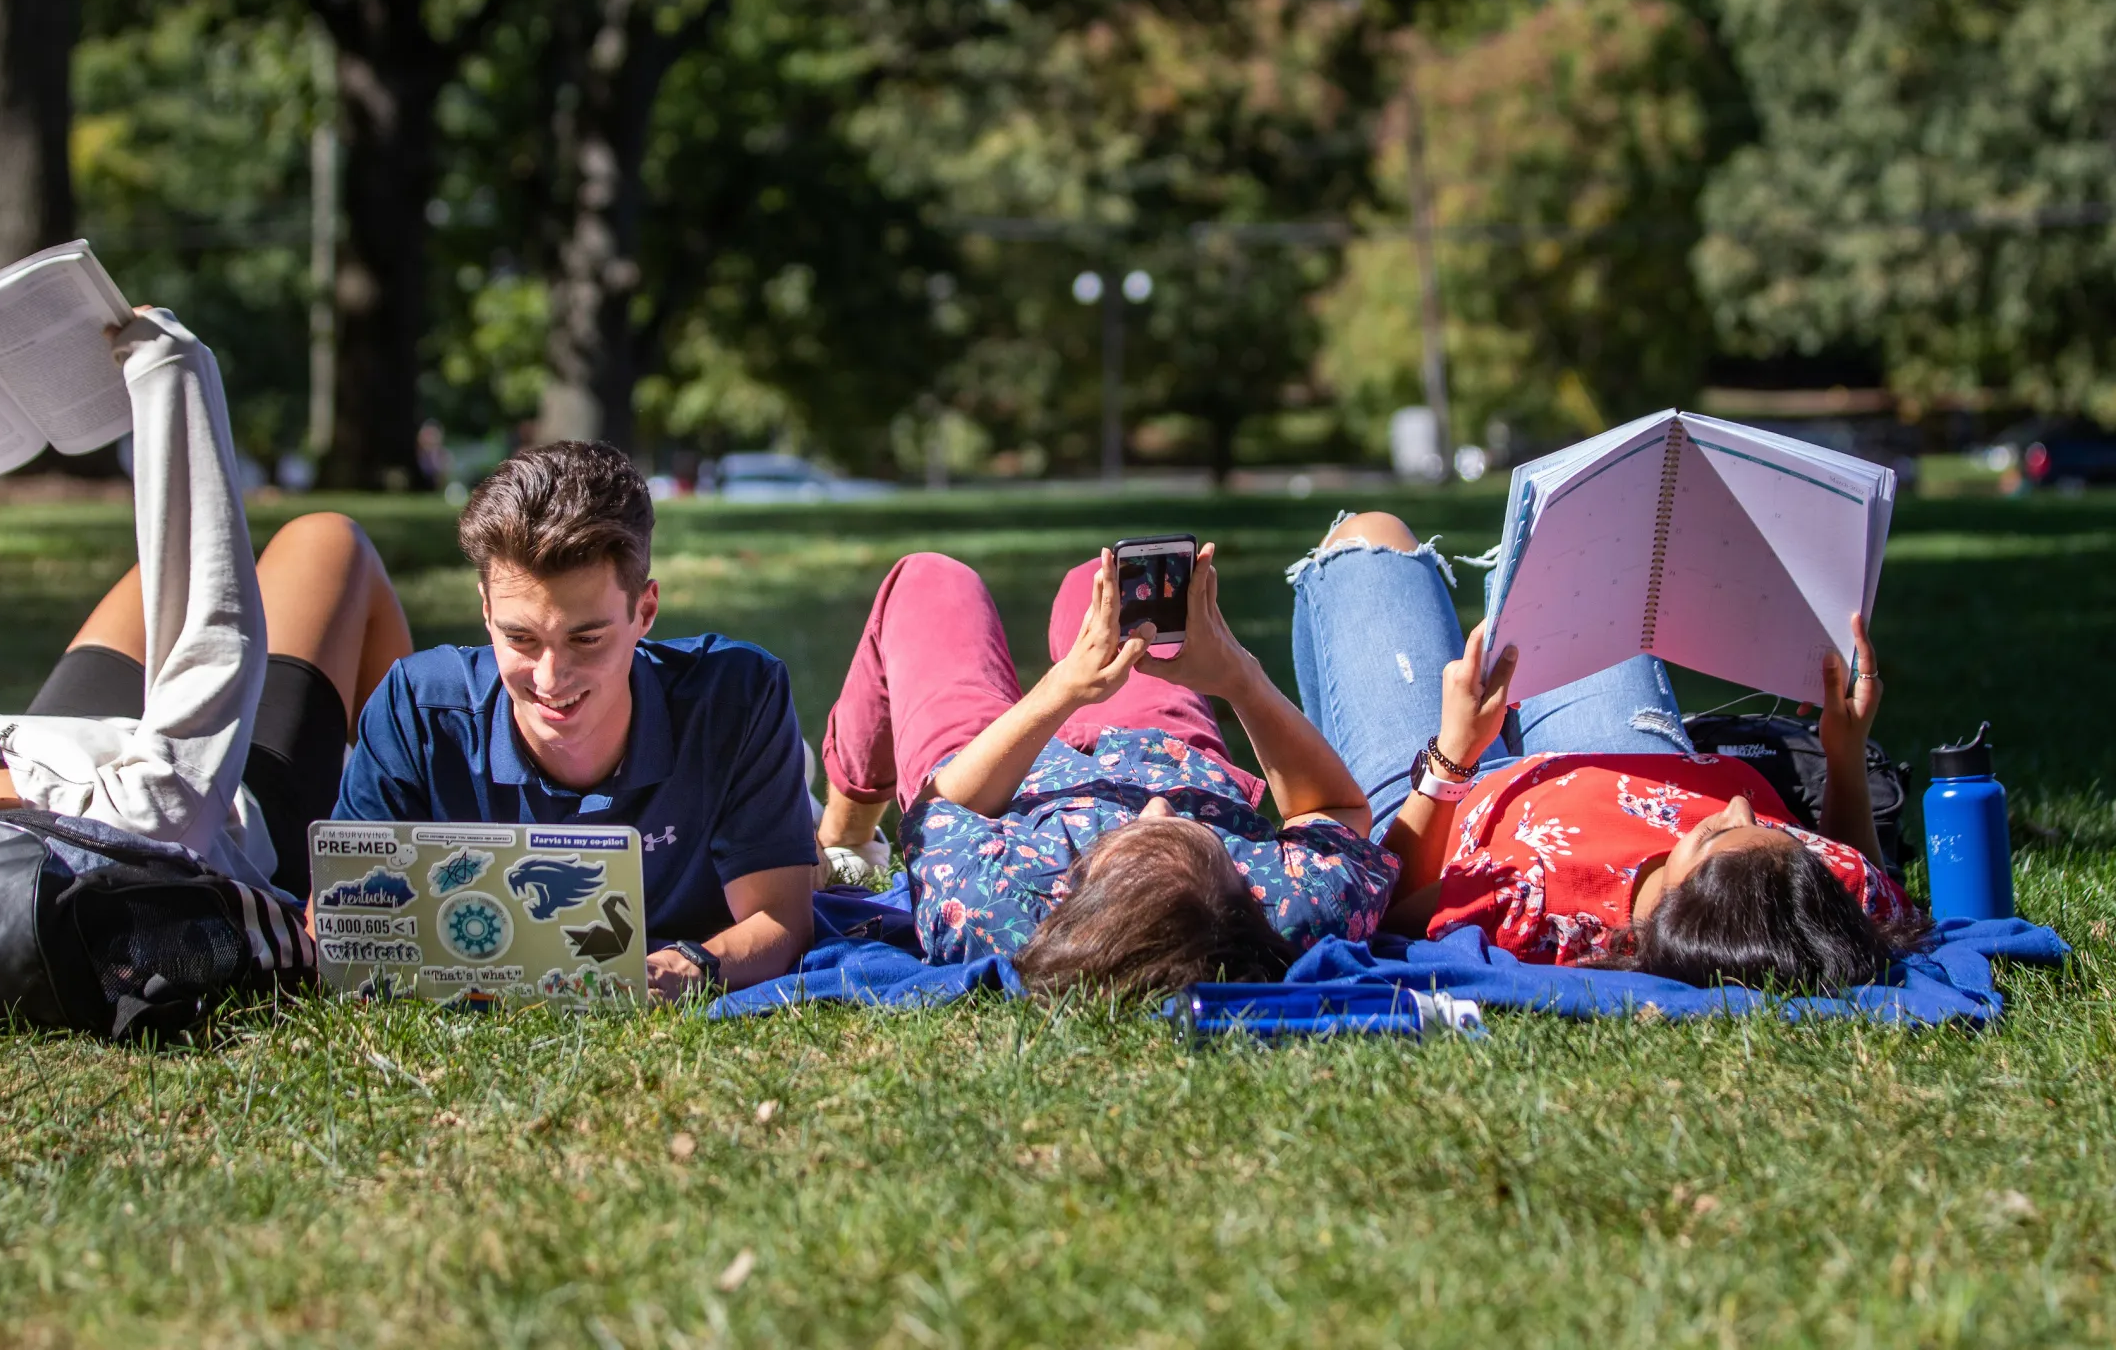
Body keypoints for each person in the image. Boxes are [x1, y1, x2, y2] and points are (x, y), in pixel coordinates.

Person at [0, 308, 412, 901]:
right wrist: (169, 374)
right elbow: (205, 648)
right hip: (233, 800)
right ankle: (431, 811)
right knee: (325, 543)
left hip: (54, 744)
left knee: (172, 567)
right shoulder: (118, 828)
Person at [1287, 510, 1924, 990]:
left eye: (1712, 837)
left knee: (1369, 542)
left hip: (1443, 807)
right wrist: (1844, 752)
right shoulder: (1806, 895)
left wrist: (1455, 753)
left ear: (1675, 911)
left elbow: (1384, 907)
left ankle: (1332, 801)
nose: (1736, 805)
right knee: (1563, 545)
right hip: (1625, 756)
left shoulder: (1547, 919)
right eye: (1767, 825)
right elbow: (1862, 871)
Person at [333, 441, 818, 1001]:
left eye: (585, 638)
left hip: (746, 791)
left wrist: (685, 970)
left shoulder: (737, 697)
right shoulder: (417, 710)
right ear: (485, 611)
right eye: (519, 638)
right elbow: (344, 926)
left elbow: (781, 920)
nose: (549, 678)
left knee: (812, 847)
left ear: (646, 613)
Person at [811, 546, 1400, 996]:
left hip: (995, 775)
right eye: (1195, 837)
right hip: (1165, 750)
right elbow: (1341, 812)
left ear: (1075, 885)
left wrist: (1061, 690)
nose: (1158, 805)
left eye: (1139, 832)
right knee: (1089, 590)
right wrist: (1236, 678)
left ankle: (848, 834)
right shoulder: (1289, 908)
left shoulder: (997, 906)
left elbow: (939, 810)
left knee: (929, 580)